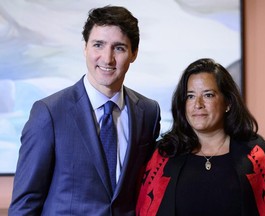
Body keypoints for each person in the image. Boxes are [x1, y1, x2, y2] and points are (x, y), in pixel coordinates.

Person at [9, 5, 161, 216]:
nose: (107, 58)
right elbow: (25, 204)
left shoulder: (148, 112)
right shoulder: (49, 113)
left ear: (134, 53)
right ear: (85, 48)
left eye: (119, 48)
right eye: (98, 45)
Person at [136, 58, 265, 216]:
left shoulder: (257, 156)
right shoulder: (162, 155)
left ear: (228, 103)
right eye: (190, 96)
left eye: (208, 95)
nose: (198, 104)